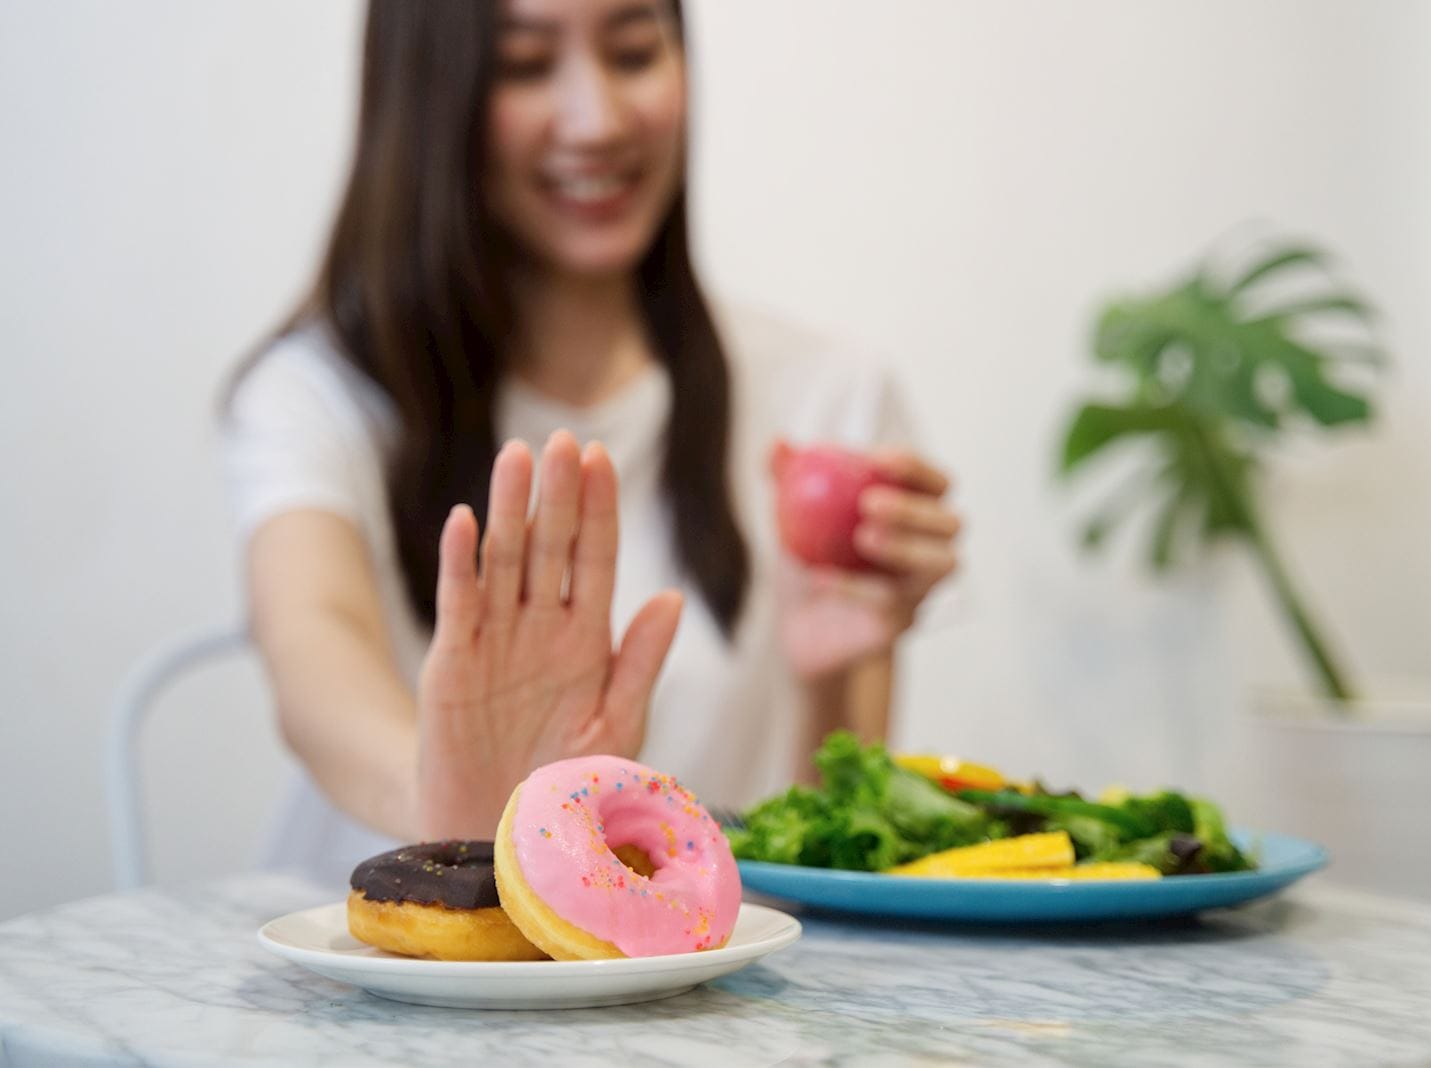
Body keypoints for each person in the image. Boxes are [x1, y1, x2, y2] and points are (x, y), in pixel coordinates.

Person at [222, 0, 961, 885]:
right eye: (526, 65)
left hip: (675, 996)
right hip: (380, 983)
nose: (598, 119)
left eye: (634, 51)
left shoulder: (829, 395)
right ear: (428, 95)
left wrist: (834, 677)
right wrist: (451, 802)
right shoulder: (319, 394)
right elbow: (313, 650)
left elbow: (827, 873)